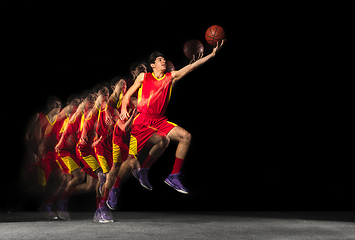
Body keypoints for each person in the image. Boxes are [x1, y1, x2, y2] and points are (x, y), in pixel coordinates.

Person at [120, 40, 225, 194]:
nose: (164, 61)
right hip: (142, 120)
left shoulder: (171, 77)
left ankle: (173, 176)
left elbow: (191, 67)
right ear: (153, 65)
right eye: (160, 60)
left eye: (164, 59)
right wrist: (123, 108)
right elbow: (128, 94)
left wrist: (212, 54)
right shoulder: (144, 77)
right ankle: (113, 189)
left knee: (186, 137)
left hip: (159, 120)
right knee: (128, 161)